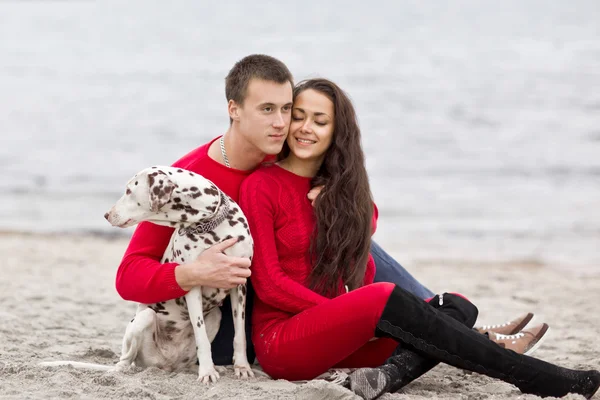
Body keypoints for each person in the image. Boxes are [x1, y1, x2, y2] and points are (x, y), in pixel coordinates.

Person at [115, 54, 542, 367]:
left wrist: (337, 195)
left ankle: (449, 321)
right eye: (268, 110)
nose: (283, 124)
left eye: (286, 109)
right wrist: (192, 273)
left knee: (337, 231)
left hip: (287, 300)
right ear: (234, 110)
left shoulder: (282, 155)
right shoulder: (190, 179)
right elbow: (128, 276)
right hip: (220, 323)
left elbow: (364, 221)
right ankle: (453, 327)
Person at [236, 78, 600, 399]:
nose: (304, 128)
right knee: (385, 298)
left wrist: (343, 207)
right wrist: (343, 315)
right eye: (298, 116)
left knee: (457, 306)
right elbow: (269, 285)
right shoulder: (262, 185)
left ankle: (386, 377)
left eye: (320, 121)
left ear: (336, 131)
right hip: (284, 342)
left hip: (341, 338)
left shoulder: (337, 195)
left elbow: (359, 271)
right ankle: (546, 379)